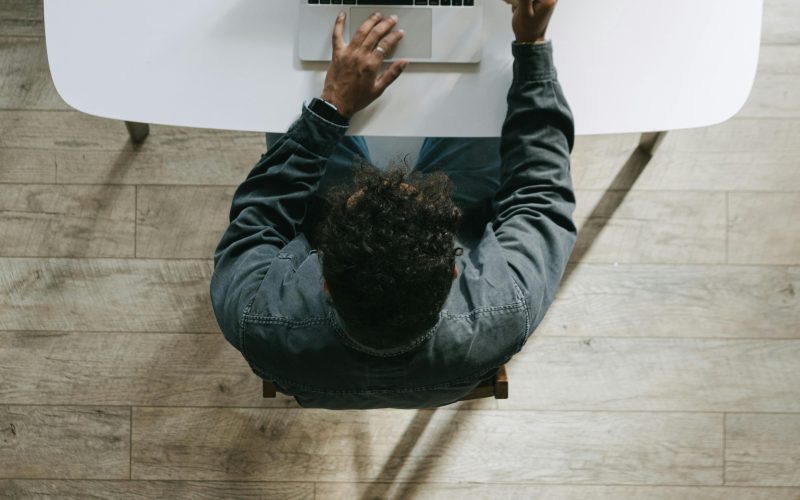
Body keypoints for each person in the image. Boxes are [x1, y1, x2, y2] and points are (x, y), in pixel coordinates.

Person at [210, 0, 576, 409]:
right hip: (437, 250)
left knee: (295, 90)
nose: (393, 176)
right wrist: (531, 44)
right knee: (490, 92)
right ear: (454, 268)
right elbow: (541, 192)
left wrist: (330, 108)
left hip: (345, 230)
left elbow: (259, 209)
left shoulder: (256, 316)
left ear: (325, 278)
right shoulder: (506, 305)